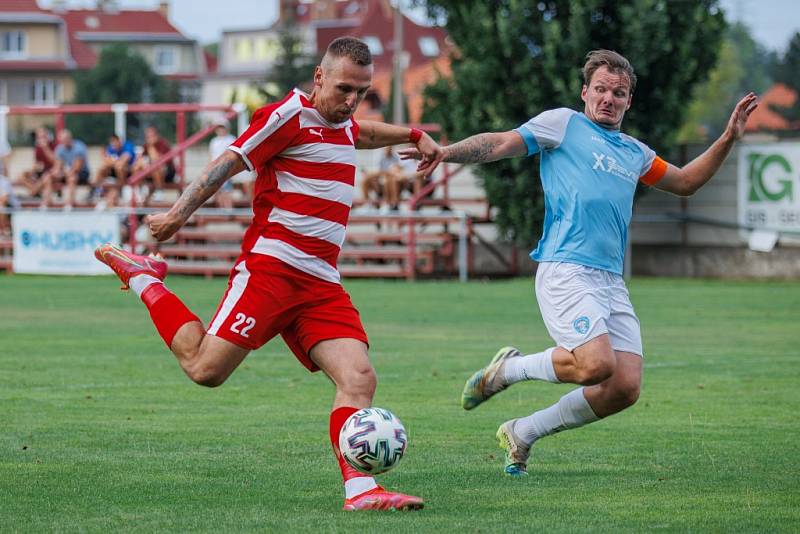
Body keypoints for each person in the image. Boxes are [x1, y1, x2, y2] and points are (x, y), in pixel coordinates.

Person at [95, 37, 443, 511]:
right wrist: (178, 214)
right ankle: (144, 277)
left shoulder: (341, 123)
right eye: (343, 89)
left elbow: (361, 133)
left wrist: (411, 133)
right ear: (319, 76)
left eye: (360, 92)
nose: (351, 101)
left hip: (320, 284)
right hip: (272, 271)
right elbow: (228, 161)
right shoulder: (289, 116)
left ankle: (361, 491)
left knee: (359, 377)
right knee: (204, 369)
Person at [402, 49, 758, 477]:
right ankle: (511, 369)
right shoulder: (563, 124)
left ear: (629, 101)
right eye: (602, 89)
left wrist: (728, 137)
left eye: (619, 93)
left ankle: (523, 432)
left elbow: (685, 182)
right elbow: (501, 142)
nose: (609, 98)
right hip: (565, 268)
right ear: (585, 91)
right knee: (596, 365)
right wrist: (446, 152)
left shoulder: (635, 152)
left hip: (610, 280)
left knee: (624, 386)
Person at [40, 129, 90, 210]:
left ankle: (70, 203)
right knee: (47, 177)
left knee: (72, 178)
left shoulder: (80, 147)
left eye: (66, 139)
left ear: (70, 138)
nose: (64, 142)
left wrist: (63, 172)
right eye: (62, 140)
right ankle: (47, 202)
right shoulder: (60, 149)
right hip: (66, 172)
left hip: (82, 173)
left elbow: (77, 168)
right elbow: (58, 165)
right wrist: (54, 173)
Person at [133, 125, 176, 205]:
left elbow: (157, 160)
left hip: (168, 172)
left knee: (155, 168)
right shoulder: (145, 146)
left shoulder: (163, 144)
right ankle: (139, 192)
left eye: (151, 136)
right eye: (147, 136)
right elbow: (138, 160)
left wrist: (151, 146)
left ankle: (159, 192)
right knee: (137, 168)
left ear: (157, 135)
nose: (149, 138)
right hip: (153, 172)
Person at [92, 134, 136, 210]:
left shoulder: (128, 146)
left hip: (128, 172)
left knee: (119, 167)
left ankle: (121, 186)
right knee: (102, 168)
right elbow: (106, 161)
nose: (113, 144)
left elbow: (123, 161)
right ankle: (95, 190)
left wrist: (113, 161)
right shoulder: (111, 148)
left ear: (119, 141)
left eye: (114, 142)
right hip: (114, 173)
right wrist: (113, 162)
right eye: (112, 142)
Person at [15, 126, 56, 199]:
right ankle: (35, 192)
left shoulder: (53, 145)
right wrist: (32, 170)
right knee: (21, 176)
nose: (40, 139)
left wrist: (45, 148)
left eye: (42, 136)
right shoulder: (38, 148)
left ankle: (32, 193)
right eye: (39, 137)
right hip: (41, 171)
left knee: (45, 177)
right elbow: (38, 164)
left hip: (51, 172)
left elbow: (54, 162)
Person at [207, 120, 236, 209]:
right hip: (216, 167)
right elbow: (211, 155)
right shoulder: (214, 141)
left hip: (226, 167)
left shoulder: (231, 139)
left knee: (226, 189)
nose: (221, 130)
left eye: (222, 127)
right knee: (218, 189)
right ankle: (221, 207)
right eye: (219, 128)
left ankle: (228, 207)